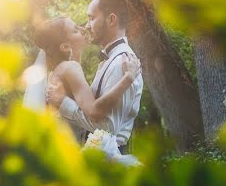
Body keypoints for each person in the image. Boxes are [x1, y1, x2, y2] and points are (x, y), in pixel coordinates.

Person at [46, 0, 144, 155]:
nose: (86, 25)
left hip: (111, 160)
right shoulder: (110, 59)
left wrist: (64, 104)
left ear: (111, 20)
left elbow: (107, 129)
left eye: (91, 18)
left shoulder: (122, 63)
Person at [26, 16, 141, 145]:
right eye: (75, 30)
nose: (83, 29)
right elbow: (94, 111)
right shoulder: (70, 68)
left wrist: (76, 52)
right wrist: (128, 79)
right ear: (64, 47)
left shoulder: (58, 70)